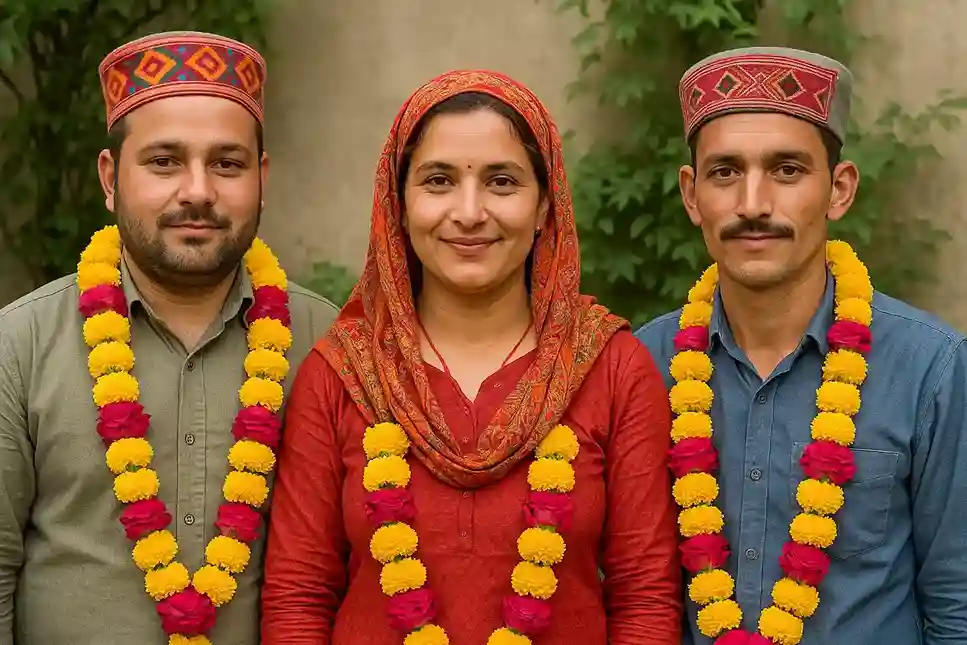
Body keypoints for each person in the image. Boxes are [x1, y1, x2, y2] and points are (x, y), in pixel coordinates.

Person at [259, 69, 683, 644]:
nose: (469, 211)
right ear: (398, 207)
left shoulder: (609, 367)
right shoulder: (344, 372)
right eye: (437, 181)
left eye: (502, 182)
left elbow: (644, 598)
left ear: (543, 207)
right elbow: (299, 597)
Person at [0, 31, 339, 645]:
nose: (198, 192)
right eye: (164, 162)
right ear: (110, 178)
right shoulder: (18, 345)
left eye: (227, 164)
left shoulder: (330, 348)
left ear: (261, 177)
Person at [636, 46, 967, 645]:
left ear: (839, 190)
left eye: (787, 170)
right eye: (725, 172)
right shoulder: (639, 368)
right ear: (691, 195)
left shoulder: (932, 369)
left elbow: (957, 601)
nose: (753, 204)